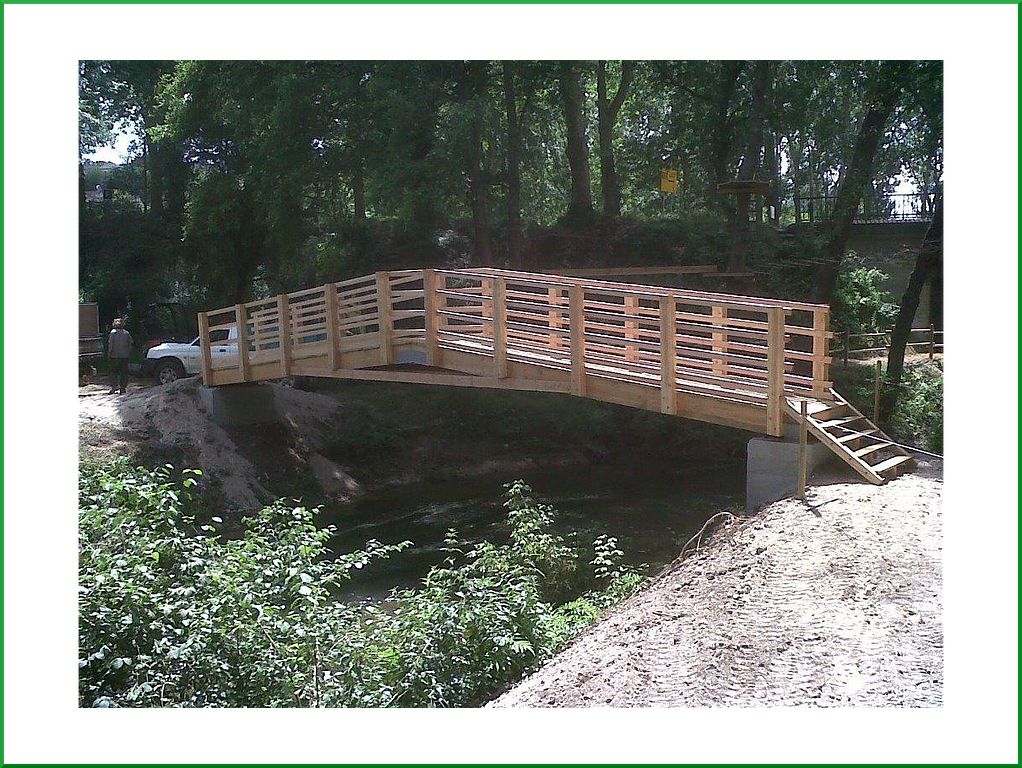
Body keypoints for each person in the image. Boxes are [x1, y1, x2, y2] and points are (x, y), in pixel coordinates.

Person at [107, 318, 133, 394]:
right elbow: (130, 344)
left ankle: (114, 387)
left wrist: (109, 353)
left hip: (115, 356)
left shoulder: (113, 333)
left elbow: (111, 344)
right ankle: (123, 388)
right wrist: (128, 352)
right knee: (124, 372)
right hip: (125, 356)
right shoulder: (126, 333)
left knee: (113, 371)